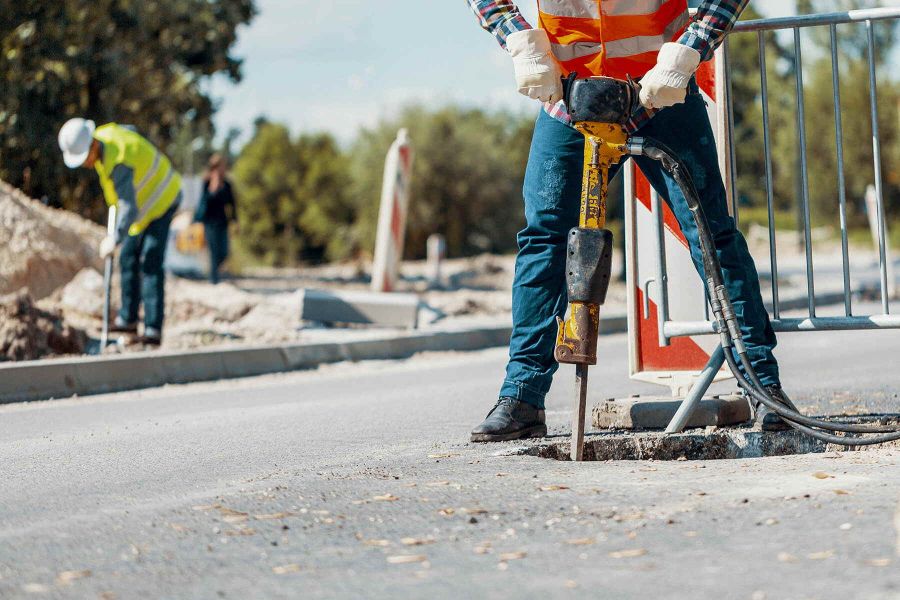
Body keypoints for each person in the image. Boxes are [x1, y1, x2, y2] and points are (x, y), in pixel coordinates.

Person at [466, 0, 795, 442]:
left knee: (710, 234)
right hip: (570, 96)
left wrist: (689, 50)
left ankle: (763, 387)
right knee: (545, 238)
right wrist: (519, 42)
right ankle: (522, 397)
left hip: (660, 89)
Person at [58, 118, 182, 346]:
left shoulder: (118, 161)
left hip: (163, 199)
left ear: (93, 145)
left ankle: (153, 330)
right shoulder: (105, 137)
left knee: (150, 260)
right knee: (127, 257)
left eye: (84, 157)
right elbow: (132, 130)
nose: (85, 163)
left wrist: (115, 237)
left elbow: (129, 207)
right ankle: (128, 320)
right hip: (143, 210)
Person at [194, 154, 237, 284]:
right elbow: (204, 202)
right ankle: (214, 280)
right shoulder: (206, 183)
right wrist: (213, 189)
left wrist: (235, 220)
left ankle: (214, 273)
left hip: (222, 221)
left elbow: (232, 203)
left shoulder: (227, 184)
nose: (223, 169)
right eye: (220, 166)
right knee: (213, 251)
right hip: (209, 222)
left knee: (224, 252)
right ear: (214, 167)